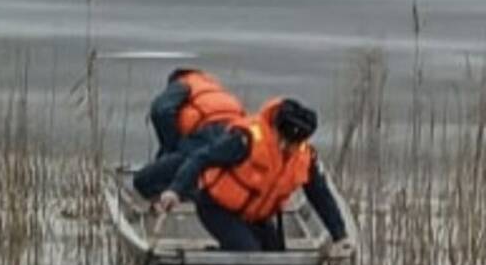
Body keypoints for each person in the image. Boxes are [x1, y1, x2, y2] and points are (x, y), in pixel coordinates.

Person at [154, 97, 354, 255]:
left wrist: (340, 236)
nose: (286, 148)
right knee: (248, 254)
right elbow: (200, 158)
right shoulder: (245, 140)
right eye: (283, 140)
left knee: (277, 260)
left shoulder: (305, 158)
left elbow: (320, 196)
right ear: (275, 129)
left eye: (293, 144)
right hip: (217, 208)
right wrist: (175, 190)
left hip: (255, 217)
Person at [133, 68, 245, 200]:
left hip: (206, 137)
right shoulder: (216, 89)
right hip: (237, 137)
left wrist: (170, 147)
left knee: (143, 181)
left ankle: (197, 196)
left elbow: (161, 110)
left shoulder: (184, 82)